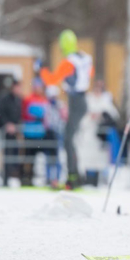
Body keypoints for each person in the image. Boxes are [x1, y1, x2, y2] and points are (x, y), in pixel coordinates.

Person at [39, 30, 93, 189]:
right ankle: (76, 174)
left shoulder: (68, 62)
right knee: (71, 140)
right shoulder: (84, 57)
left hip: (76, 101)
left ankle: (73, 177)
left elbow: (51, 80)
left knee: (68, 140)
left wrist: (42, 69)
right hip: (82, 100)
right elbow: (90, 73)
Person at [20, 79, 58, 186]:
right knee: (28, 157)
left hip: (41, 134)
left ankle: (47, 178)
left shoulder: (44, 100)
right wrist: (38, 115)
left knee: (41, 157)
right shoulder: (28, 99)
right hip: (29, 133)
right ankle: (27, 178)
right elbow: (26, 114)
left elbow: (46, 116)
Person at [0, 79, 24, 185]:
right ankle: (5, 179)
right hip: (5, 133)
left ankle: (13, 176)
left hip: (16, 133)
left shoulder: (19, 100)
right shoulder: (4, 99)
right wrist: (7, 124)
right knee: (6, 155)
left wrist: (18, 126)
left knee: (15, 156)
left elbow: (20, 115)